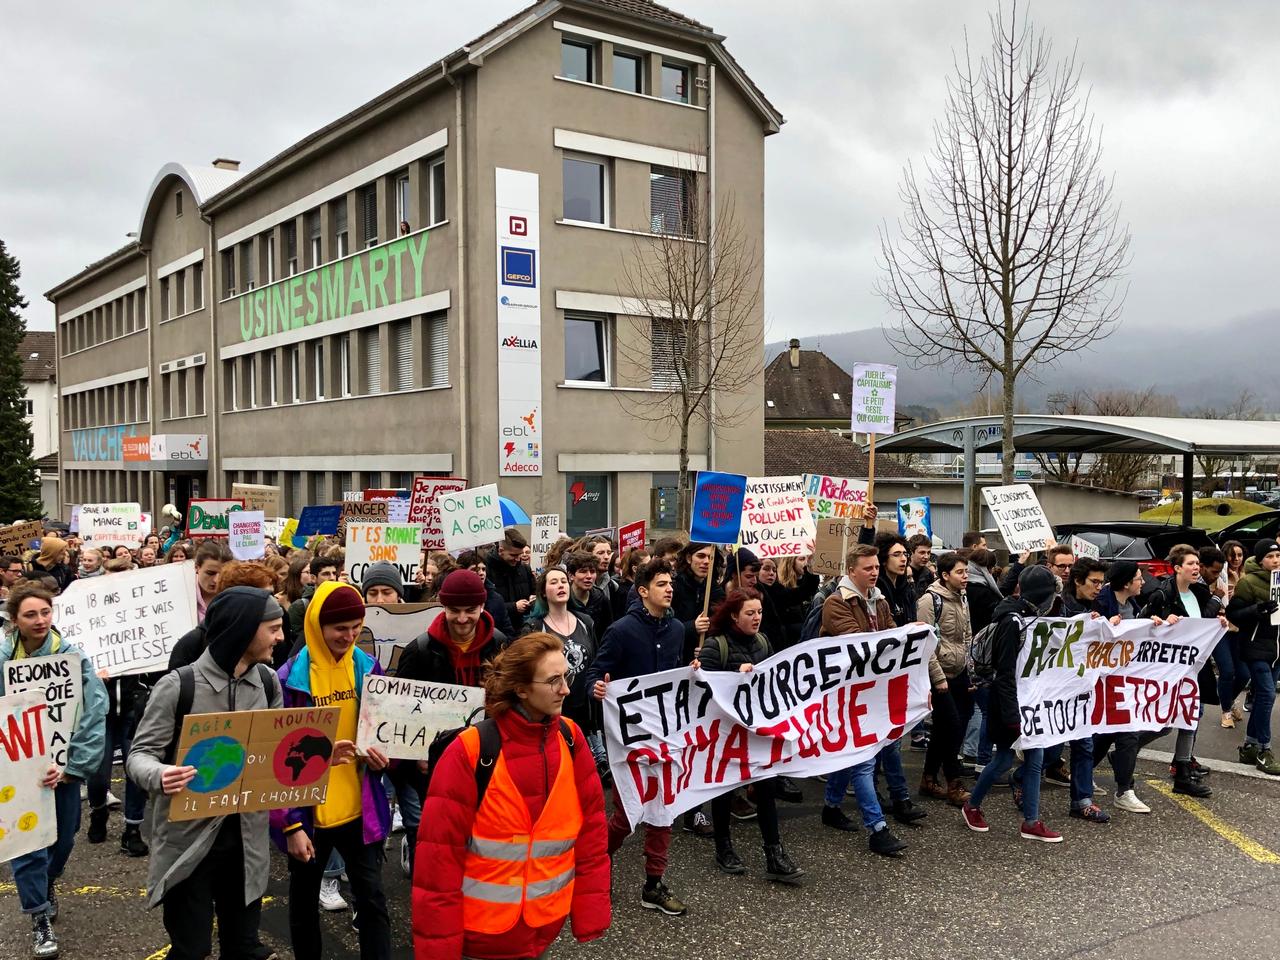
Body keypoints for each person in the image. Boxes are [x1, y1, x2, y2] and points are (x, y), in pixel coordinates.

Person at [413, 632, 610, 959]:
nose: (566, 689)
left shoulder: (571, 738)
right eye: (553, 680)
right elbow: (438, 863)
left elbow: (591, 831)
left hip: (544, 926)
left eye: (567, 676)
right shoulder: (471, 751)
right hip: (480, 938)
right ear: (520, 689)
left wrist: (591, 909)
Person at [127, 587, 286, 960]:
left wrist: (326, 756)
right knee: (191, 950)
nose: (280, 637)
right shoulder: (177, 687)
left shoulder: (267, 682)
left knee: (243, 947)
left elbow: (278, 754)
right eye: (273, 628)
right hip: (189, 843)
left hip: (247, 842)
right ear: (243, 629)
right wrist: (160, 774)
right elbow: (139, 755)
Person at [274, 581, 392, 960]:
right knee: (304, 904)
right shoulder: (288, 679)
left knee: (372, 899)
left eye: (357, 626)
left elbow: (388, 732)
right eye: (340, 628)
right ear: (316, 626)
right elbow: (277, 760)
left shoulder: (369, 668)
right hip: (310, 815)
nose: (350, 635)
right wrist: (290, 825)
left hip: (361, 809)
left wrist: (384, 756)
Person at [2, 582, 108, 957]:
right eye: (30, 614)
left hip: (61, 769)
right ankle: (38, 915)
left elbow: (94, 713)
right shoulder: (2, 659)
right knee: (27, 843)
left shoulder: (72, 657)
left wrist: (72, 766)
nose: (40, 620)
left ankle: (47, 883)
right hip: (16, 771)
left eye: (45, 612)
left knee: (63, 840)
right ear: (14, 619)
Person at [588, 559, 688, 916]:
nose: (669, 589)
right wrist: (597, 687)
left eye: (670, 583)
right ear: (643, 591)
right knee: (628, 815)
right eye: (661, 583)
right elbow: (596, 672)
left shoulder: (676, 628)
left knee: (663, 811)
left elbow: (675, 677)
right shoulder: (621, 630)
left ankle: (653, 884)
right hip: (629, 739)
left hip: (665, 736)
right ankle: (592, 864)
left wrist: (690, 674)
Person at [698, 589, 804, 883]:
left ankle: (774, 852)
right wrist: (735, 674)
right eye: (750, 613)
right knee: (724, 790)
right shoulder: (714, 647)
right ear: (734, 615)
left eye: (759, 612)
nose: (757, 618)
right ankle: (724, 848)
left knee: (767, 790)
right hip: (725, 733)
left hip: (756, 731)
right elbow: (704, 693)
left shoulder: (762, 641)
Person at [818, 545, 914, 856]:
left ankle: (831, 806)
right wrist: (898, 636)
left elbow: (890, 638)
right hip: (845, 693)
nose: (874, 572)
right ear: (851, 571)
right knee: (863, 759)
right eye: (867, 568)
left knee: (855, 753)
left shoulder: (880, 601)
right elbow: (861, 647)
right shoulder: (836, 604)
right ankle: (877, 828)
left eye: (875, 567)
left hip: (872, 691)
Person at [961, 566, 1063, 843]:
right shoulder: (1012, 622)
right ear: (1044, 595)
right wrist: (1012, 715)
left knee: (1034, 759)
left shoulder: (1029, 617)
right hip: (1010, 703)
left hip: (1028, 700)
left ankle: (1031, 821)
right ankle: (972, 806)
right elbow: (1005, 673)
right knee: (1004, 759)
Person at [1142, 545, 1224, 793]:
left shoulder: (1198, 593)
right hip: (1168, 670)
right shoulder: (1162, 594)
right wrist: (1160, 621)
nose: (1196, 568)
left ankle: (1183, 774)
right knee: (1164, 723)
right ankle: (1128, 748)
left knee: (1191, 717)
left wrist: (1217, 620)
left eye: (1197, 564)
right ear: (1177, 568)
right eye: (1190, 564)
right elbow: (1143, 625)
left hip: (1192, 668)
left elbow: (1201, 624)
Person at [1090, 560, 1167, 815]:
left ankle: (1098, 779)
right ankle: (1123, 790)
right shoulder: (1101, 603)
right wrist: (1104, 626)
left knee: (1116, 731)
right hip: (1102, 680)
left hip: (1125, 679)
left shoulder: (1132, 604)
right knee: (1116, 731)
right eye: (1138, 578)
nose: (1143, 582)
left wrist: (1151, 623)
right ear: (1125, 583)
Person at [521, 566, 601, 770]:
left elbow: (595, 662)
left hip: (584, 708)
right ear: (543, 591)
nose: (560, 586)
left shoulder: (585, 622)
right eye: (553, 582)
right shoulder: (534, 628)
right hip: (553, 709)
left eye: (563, 581)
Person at [916, 552, 974, 807]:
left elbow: (967, 635)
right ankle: (953, 782)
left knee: (947, 727)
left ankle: (928, 778)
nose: (965, 577)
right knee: (950, 726)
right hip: (939, 675)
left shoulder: (962, 598)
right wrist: (938, 678)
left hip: (959, 671)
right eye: (960, 572)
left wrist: (969, 669)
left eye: (966, 572)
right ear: (945, 575)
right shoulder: (929, 601)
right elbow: (924, 644)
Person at [398, 570, 509, 687]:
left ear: (482, 606)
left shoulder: (499, 644)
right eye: (454, 610)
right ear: (444, 607)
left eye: (470, 610)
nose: (462, 619)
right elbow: (401, 700)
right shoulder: (419, 650)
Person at [1227, 539, 1280, 776]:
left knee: (1262, 697)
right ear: (1260, 560)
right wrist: (1257, 611)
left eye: (1278, 556)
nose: (1275, 560)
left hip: (1277, 649)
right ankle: (1264, 749)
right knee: (1267, 694)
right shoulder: (1248, 582)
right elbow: (1234, 614)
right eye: (1270, 557)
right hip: (1255, 646)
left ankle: (1249, 745)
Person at [672, 541, 722, 663]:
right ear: (689, 558)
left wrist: (709, 646)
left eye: (710, 557)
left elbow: (722, 625)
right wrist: (692, 627)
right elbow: (664, 628)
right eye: (701, 556)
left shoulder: (716, 590)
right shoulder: (673, 588)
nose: (706, 561)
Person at [484, 528, 536, 634]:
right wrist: (513, 607)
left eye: (519, 555)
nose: (518, 559)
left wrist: (534, 599)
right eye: (513, 555)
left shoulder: (524, 569)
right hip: (496, 632)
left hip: (522, 630)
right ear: (501, 551)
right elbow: (484, 605)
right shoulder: (485, 571)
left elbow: (535, 591)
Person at [455, 550, 516, 637]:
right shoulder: (453, 598)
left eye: (483, 569)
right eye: (475, 569)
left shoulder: (496, 598)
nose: (481, 573)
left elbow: (508, 632)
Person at [564, 550, 614, 642]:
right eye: (583, 572)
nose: (589, 576)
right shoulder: (564, 600)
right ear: (571, 575)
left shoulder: (601, 599)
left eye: (592, 571)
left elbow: (608, 632)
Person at [288, 554, 338, 638]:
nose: (332, 578)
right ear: (313, 578)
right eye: (326, 574)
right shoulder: (300, 606)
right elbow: (298, 640)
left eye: (334, 573)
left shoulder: (341, 601)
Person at [194, 540, 231, 624]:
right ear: (197, 567)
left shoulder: (235, 596)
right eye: (210, 573)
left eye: (223, 574)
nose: (216, 580)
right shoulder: (182, 594)